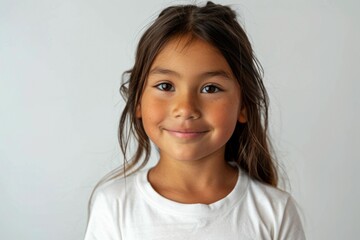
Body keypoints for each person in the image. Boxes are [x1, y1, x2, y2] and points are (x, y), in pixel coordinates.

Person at [84, 1, 305, 239]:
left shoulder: (275, 212)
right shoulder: (114, 207)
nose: (186, 108)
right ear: (138, 100)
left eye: (210, 88)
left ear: (244, 105)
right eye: (166, 86)